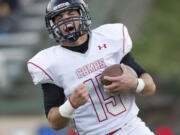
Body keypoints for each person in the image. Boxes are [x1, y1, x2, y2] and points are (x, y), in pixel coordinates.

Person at [27, 0, 156, 134]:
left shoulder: (109, 39)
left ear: (82, 14)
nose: (65, 20)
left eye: (70, 13)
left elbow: (150, 86)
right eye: (59, 17)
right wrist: (71, 105)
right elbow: (54, 123)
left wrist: (135, 83)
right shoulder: (51, 62)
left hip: (132, 129)